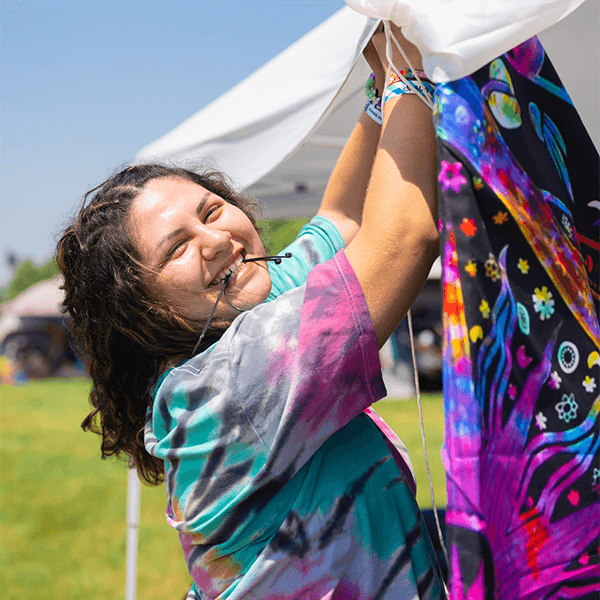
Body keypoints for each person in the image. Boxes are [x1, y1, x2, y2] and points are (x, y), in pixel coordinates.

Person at [58, 26, 444, 599]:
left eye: (213, 211)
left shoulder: (251, 299)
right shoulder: (221, 390)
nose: (213, 241)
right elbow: (404, 240)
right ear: (142, 310)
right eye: (176, 247)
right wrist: (410, 78)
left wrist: (379, 87)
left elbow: (339, 219)